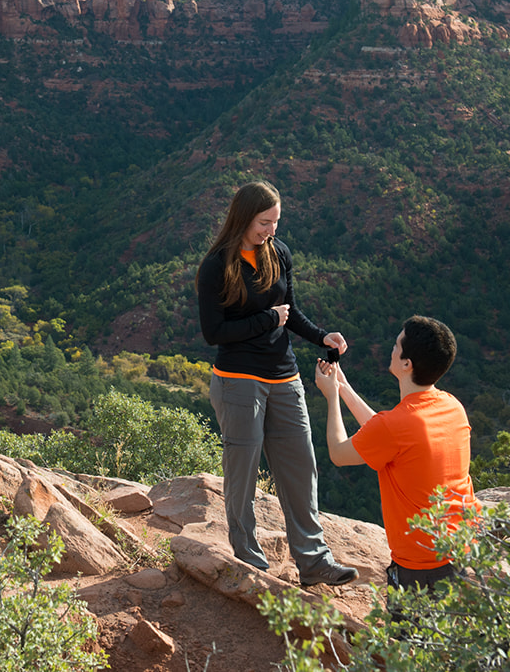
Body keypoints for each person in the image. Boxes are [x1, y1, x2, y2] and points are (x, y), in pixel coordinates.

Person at [197, 181, 359, 587]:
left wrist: (323, 336)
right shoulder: (217, 265)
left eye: (276, 222)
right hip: (238, 380)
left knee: (301, 468)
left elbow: (292, 312)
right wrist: (268, 320)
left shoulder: (279, 253)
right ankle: (249, 560)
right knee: (243, 471)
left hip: (284, 375)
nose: (271, 230)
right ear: (243, 218)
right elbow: (214, 332)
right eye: (264, 223)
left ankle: (314, 561)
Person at [313, 316, 477, 591]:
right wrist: (343, 387)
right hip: (461, 552)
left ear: (406, 364)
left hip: (420, 568)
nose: (391, 348)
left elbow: (339, 453)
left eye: (396, 344)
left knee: (410, 635)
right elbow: (388, 434)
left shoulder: (395, 425)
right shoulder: (452, 407)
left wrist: (331, 398)